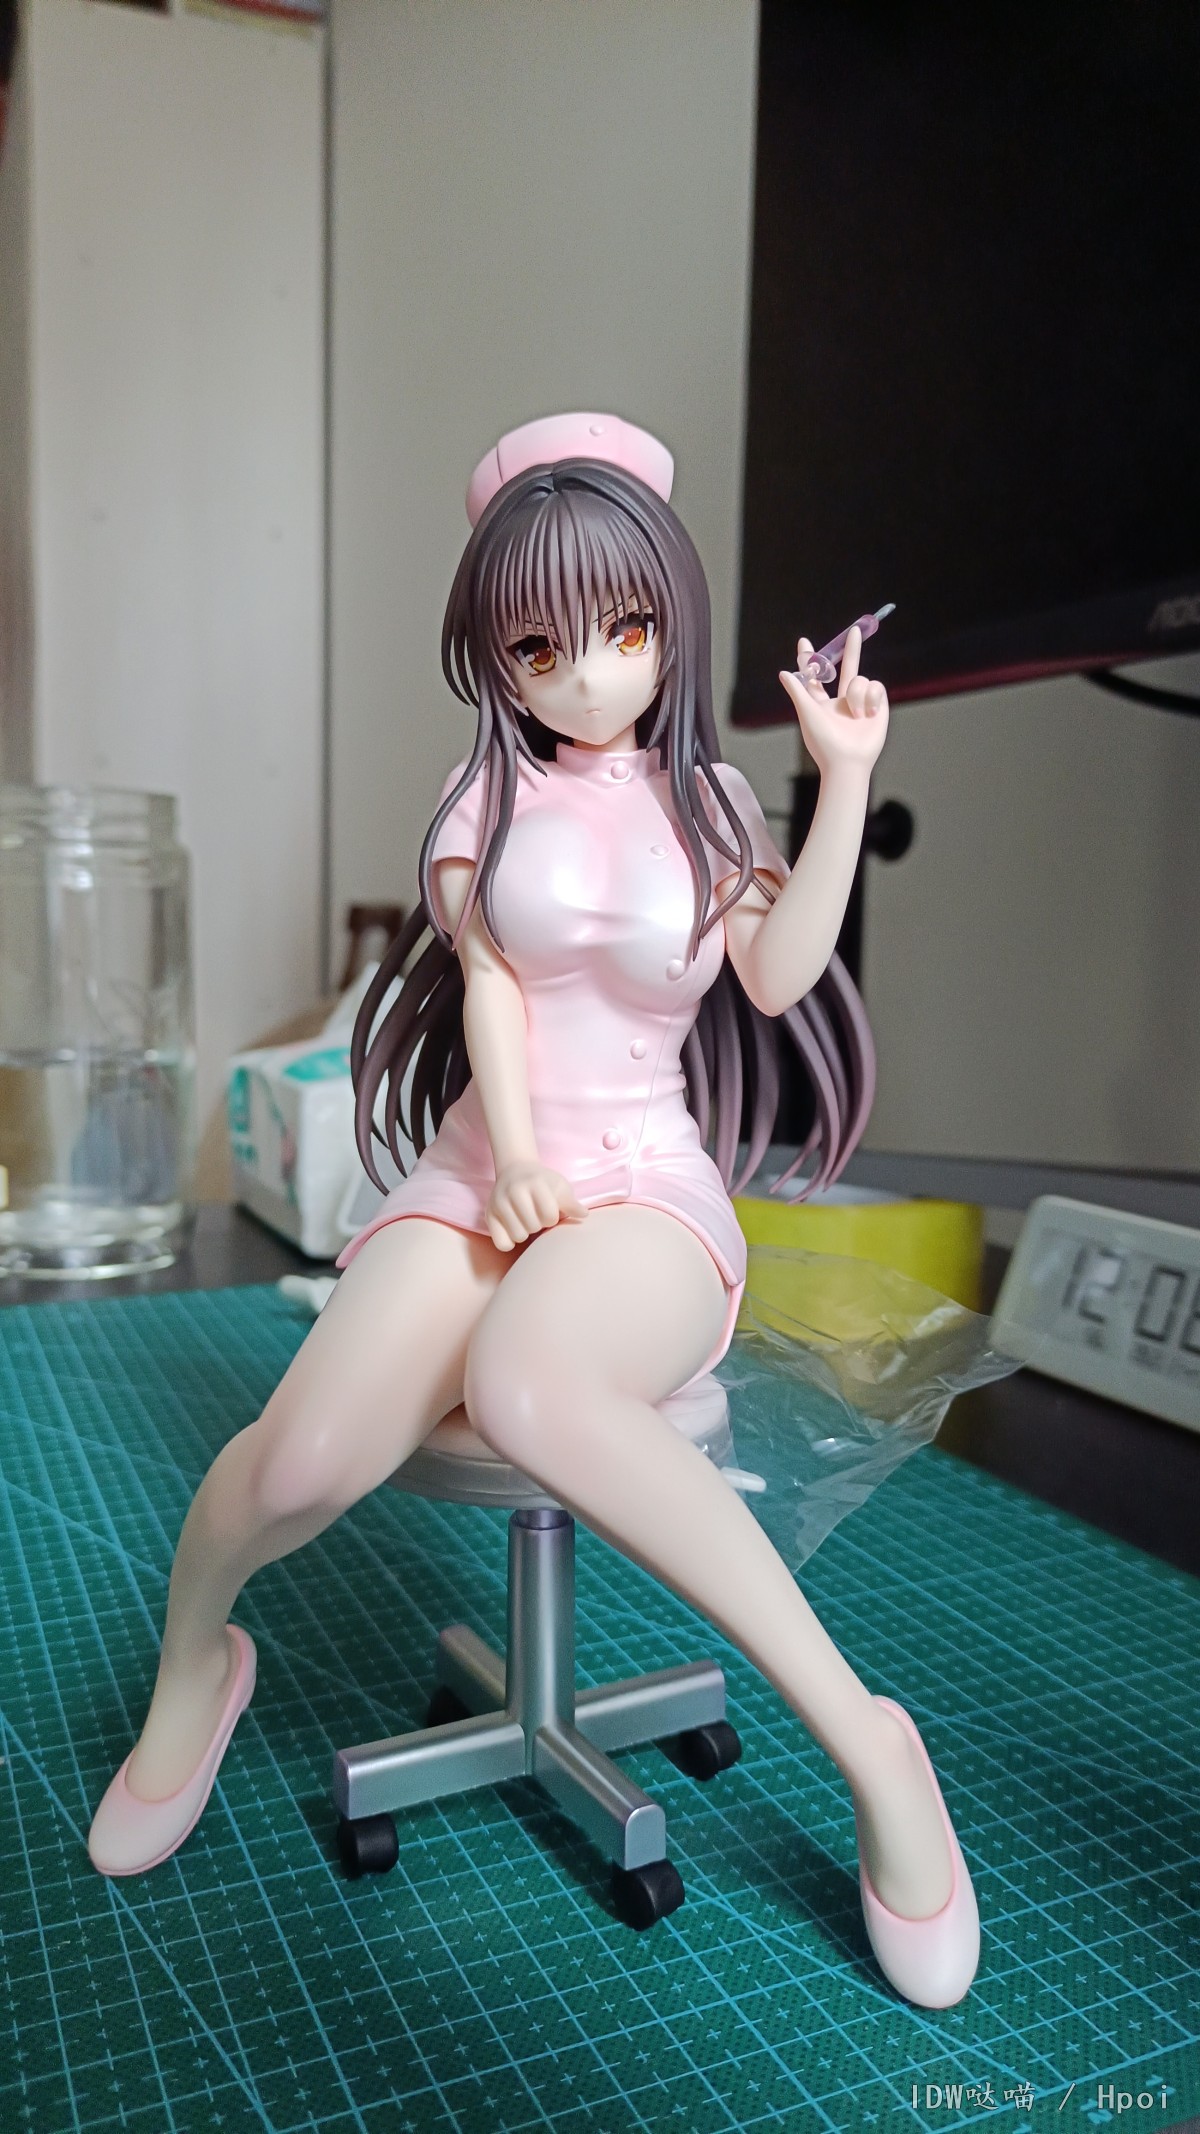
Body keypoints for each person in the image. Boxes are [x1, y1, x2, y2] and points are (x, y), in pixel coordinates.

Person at [88, 412, 978, 2007]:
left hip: (646, 1186)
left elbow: (778, 977)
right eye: (539, 645)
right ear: (495, 652)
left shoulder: (713, 807)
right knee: (300, 1458)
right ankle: (197, 1658)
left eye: (625, 630)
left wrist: (845, 784)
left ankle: (870, 1742)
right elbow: (490, 983)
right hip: (477, 1172)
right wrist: (505, 1159)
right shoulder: (481, 797)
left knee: (531, 1378)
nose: (586, 676)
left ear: (673, 616)